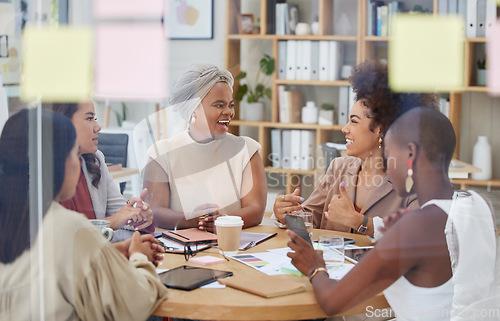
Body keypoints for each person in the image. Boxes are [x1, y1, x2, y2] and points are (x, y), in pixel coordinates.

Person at [286, 107, 499, 320]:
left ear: (410, 154)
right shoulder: (479, 205)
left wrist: (315, 267)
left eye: (388, 154)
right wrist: (379, 229)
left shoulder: (416, 226)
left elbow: (332, 301)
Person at [0, 109, 167, 320]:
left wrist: (108, 254)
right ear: (57, 161)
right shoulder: (66, 225)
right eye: (72, 153)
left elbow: (56, 266)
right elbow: (136, 302)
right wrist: (139, 257)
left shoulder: (14, 221)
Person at [273, 61, 438, 239]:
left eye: (354, 121)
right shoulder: (339, 167)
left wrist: (360, 222)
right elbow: (309, 219)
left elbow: (416, 234)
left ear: (381, 129)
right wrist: (286, 214)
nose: (345, 129)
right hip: (331, 265)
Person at [143, 63, 267, 231]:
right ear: (194, 110)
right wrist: (191, 220)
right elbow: (155, 211)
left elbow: (256, 210)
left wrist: (222, 222)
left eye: (230, 105)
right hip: (182, 251)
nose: (229, 112)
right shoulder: (162, 154)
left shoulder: (246, 150)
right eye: (219, 105)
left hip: (233, 246)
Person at [44, 102, 154, 242]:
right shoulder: (38, 172)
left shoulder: (96, 160)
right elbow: (59, 236)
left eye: (95, 119)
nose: (98, 127)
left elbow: (121, 215)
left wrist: (139, 215)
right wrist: (111, 222)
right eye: (89, 118)